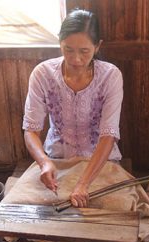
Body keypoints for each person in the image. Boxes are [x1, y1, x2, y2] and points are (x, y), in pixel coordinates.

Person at [22, 9, 123, 208]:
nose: (76, 59)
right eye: (68, 49)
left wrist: (83, 184)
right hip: (57, 160)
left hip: (99, 163)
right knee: (27, 208)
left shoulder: (110, 76)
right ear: (59, 43)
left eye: (84, 51)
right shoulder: (43, 74)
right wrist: (43, 162)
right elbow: (30, 130)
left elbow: (108, 136)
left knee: (116, 210)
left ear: (97, 46)